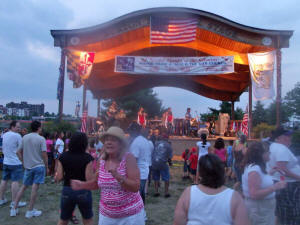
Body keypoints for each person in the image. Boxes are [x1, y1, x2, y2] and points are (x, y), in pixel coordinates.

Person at [71, 127, 145, 225]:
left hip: (131, 216)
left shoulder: (128, 158)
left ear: (121, 144)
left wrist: (118, 177)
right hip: (107, 216)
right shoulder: (101, 161)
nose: (108, 142)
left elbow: (135, 187)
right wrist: (82, 185)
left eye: (113, 140)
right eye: (106, 140)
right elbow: (96, 184)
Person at [174, 154, 250, 225]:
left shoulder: (188, 193)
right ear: (222, 172)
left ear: (200, 173)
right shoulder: (234, 197)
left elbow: (178, 222)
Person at [242, 141, 287, 225]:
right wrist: (275, 187)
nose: (270, 153)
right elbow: (254, 194)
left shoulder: (258, 167)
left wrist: (270, 173)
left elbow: (260, 181)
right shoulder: (254, 170)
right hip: (259, 208)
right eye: (268, 151)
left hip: (262, 208)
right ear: (261, 154)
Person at [55, 132, 94, 225]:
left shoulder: (63, 156)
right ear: (84, 143)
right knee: (88, 220)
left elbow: (59, 177)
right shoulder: (88, 158)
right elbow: (89, 179)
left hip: (68, 189)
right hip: (83, 190)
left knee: (63, 220)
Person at [12, 121, 48, 218]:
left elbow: (18, 152)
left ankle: (14, 208)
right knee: (34, 188)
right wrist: (47, 167)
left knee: (23, 187)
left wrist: (23, 162)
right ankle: (30, 211)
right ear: (38, 128)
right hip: (39, 166)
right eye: (41, 127)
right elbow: (44, 154)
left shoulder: (25, 137)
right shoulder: (41, 139)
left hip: (28, 167)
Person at [267, 127, 300, 225]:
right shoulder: (282, 149)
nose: (289, 138)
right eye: (287, 136)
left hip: (281, 182)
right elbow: (282, 169)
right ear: (280, 138)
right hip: (289, 185)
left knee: (281, 210)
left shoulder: (273, 146)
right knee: (291, 213)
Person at [0, 121, 26, 211]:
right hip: (15, 162)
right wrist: (22, 161)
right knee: (15, 182)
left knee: (4, 180)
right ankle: (14, 202)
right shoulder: (17, 136)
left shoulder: (5, 134)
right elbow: (20, 149)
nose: (19, 129)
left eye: (19, 127)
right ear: (12, 126)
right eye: (17, 127)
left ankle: (1, 199)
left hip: (6, 161)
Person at [128, 124, 152, 204]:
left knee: (137, 196)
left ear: (134, 132)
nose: (129, 134)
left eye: (130, 132)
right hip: (144, 171)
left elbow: (134, 159)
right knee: (141, 194)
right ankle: (141, 210)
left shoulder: (136, 142)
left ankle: (139, 211)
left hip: (138, 172)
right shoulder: (144, 140)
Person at [152, 133, 173, 198]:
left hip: (154, 162)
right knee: (166, 178)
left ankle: (156, 191)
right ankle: (166, 192)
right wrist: (170, 163)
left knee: (156, 178)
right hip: (162, 163)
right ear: (167, 138)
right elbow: (169, 157)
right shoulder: (169, 146)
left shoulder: (156, 143)